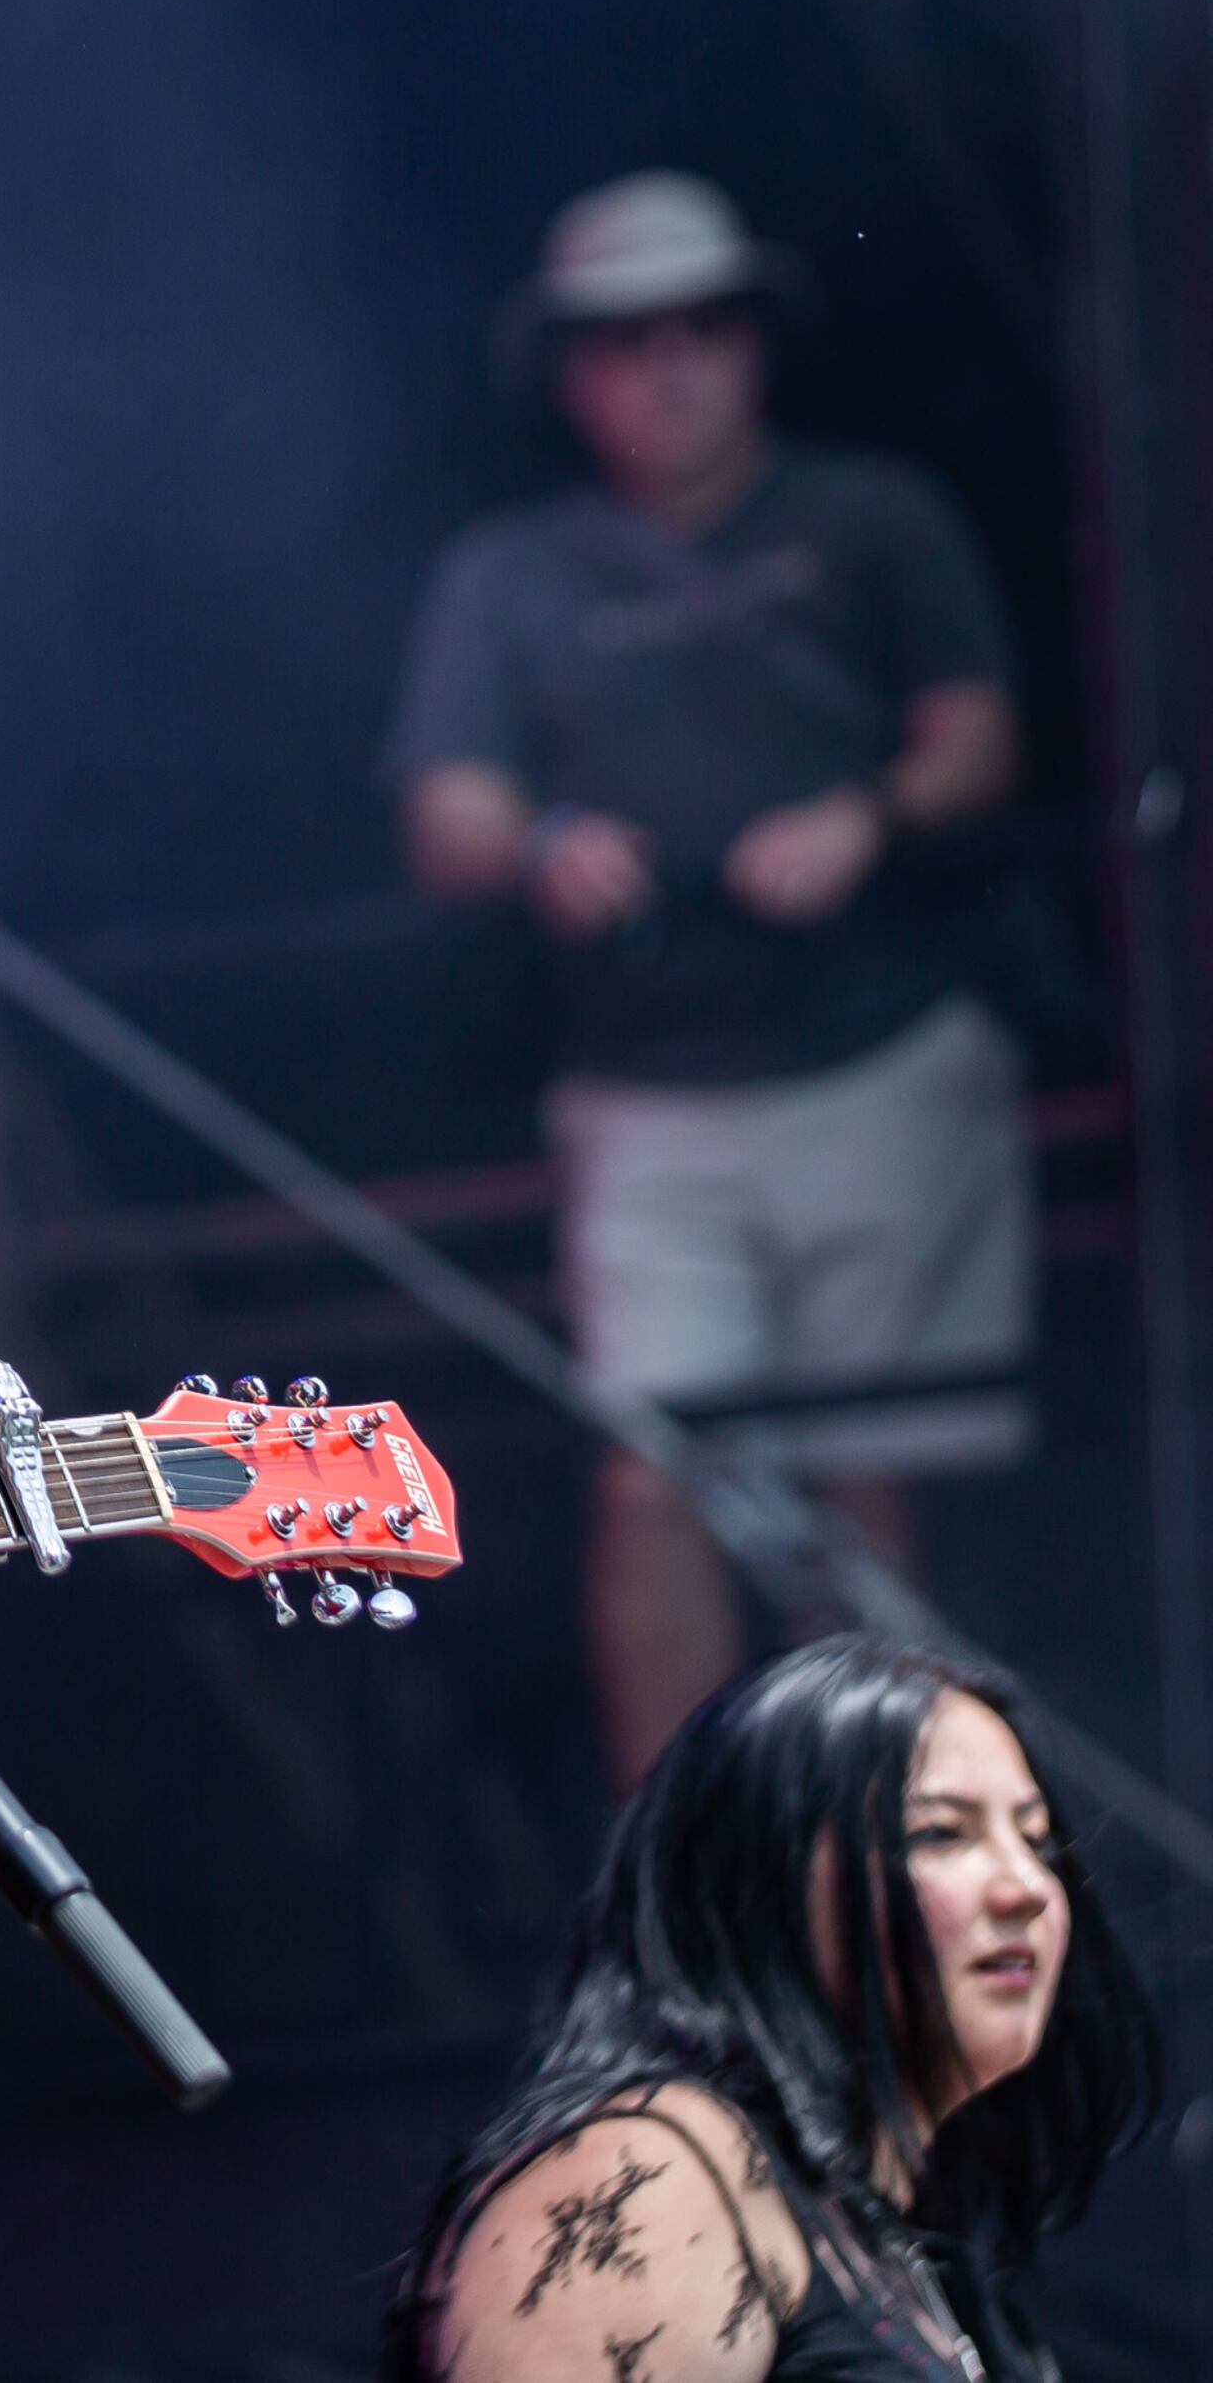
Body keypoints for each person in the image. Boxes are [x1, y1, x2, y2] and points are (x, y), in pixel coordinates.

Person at [389, 171, 1030, 1789]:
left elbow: (978, 737)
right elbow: (446, 805)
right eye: (625, 338)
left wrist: (863, 817)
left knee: (862, 1482)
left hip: (881, 1063)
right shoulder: (512, 569)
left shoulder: (870, 515)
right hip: (646, 1097)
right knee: (654, 1478)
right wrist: (542, 845)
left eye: (703, 327)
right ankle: (682, 1862)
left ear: (754, 339)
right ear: (571, 368)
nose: (669, 367)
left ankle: (890, 1837)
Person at [386, 1637, 1158, 2382]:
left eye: (1038, 1842)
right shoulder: (649, 2177)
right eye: (941, 1833)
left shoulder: (892, 2240)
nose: (1025, 1886)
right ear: (761, 1887)